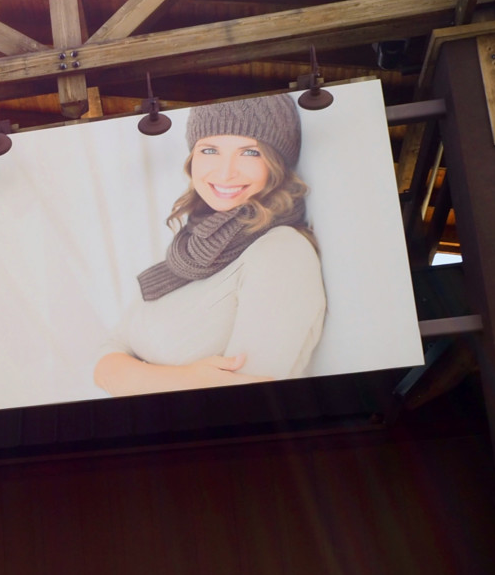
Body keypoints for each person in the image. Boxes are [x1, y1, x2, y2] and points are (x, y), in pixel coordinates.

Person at [93, 95, 325, 396]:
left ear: (277, 163)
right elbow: (106, 359)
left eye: (250, 152)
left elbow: (247, 399)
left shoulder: (282, 253)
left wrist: (137, 376)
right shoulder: (197, 246)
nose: (226, 172)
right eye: (210, 150)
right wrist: (185, 378)